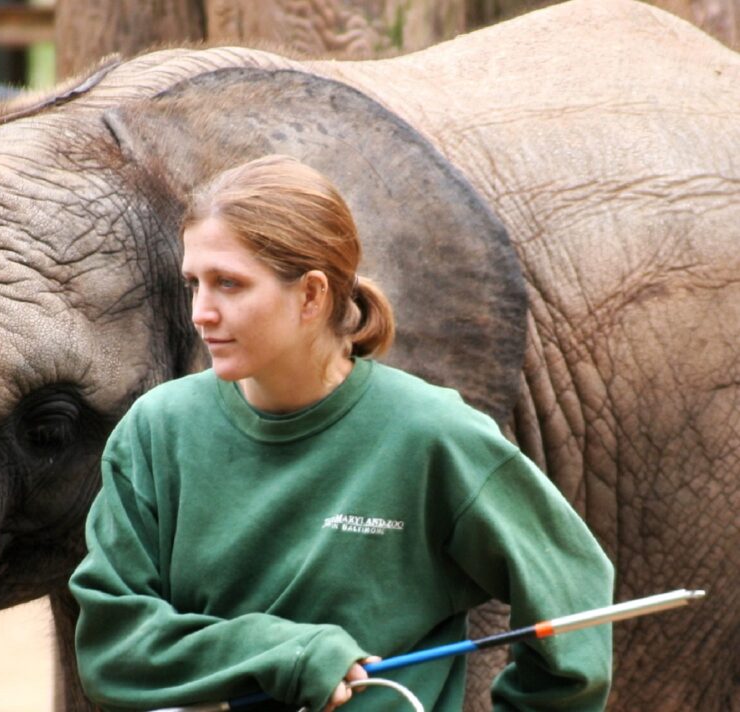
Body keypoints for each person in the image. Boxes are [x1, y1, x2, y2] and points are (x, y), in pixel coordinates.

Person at [69, 154, 613, 712]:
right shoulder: (156, 431)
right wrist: (286, 653)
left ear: (311, 295)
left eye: (229, 284)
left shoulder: (433, 436)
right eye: (195, 284)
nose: (202, 312)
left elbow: (575, 603)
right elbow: (114, 647)